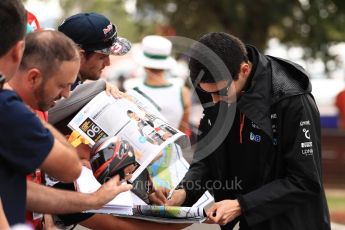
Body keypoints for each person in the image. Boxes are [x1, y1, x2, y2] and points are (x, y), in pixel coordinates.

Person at [161, 32, 331, 229]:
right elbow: (208, 157)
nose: (214, 101)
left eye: (220, 92)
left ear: (244, 69)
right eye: (207, 93)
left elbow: (305, 180)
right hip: (252, 222)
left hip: (295, 223)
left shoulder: (291, 98)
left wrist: (241, 205)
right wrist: (184, 191)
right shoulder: (213, 88)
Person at [0, 0, 84, 226]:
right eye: (61, 85)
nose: (66, 94)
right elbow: (70, 168)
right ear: (19, 51)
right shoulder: (8, 105)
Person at [58, 12, 131, 91]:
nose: (108, 63)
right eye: (102, 57)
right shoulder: (65, 95)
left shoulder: (59, 84)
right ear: (80, 56)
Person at [133, 35, 191, 133]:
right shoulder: (183, 92)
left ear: (144, 65)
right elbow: (183, 130)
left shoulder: (132, 93)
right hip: (175, 147)